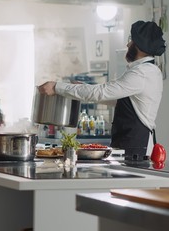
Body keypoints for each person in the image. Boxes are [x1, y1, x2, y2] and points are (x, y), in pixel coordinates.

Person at [38, 20, 166, 160]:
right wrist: (81, 87)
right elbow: (117, 99)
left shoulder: (142, 73)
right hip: (129, 143)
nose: (127, 44)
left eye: (131, 40)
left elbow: (101, 92)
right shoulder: (145, 71)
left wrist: (57, 87)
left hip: (135, 146)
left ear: (140, 46)